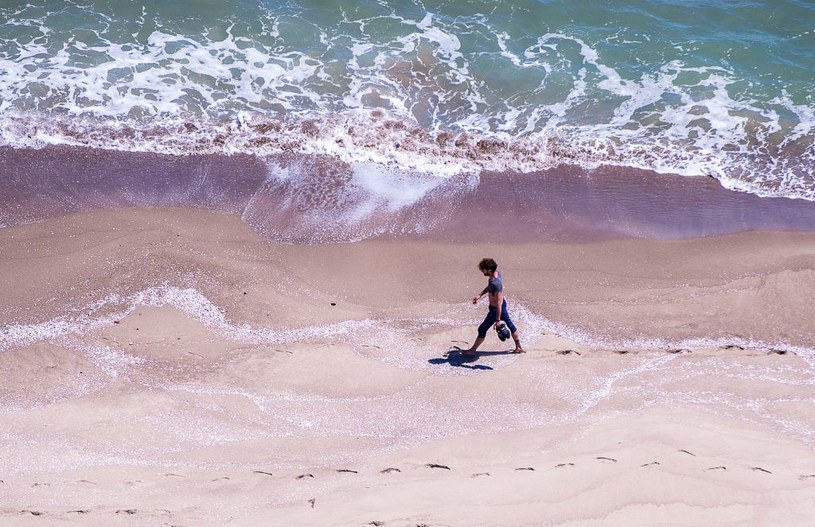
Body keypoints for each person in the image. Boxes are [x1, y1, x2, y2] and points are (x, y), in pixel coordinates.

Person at [465, 258, 524, 355]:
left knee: (482, 329)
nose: (482, 271)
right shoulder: (496, 275)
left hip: (495, 310)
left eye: (483, 269)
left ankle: (472, 351)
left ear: (489, 270)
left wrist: (497, 320)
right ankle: (518, 347)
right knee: (510, 324)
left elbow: (499, 302)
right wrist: (479, 295)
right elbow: (490, 287)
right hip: (500, 307)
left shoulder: (496, 284)